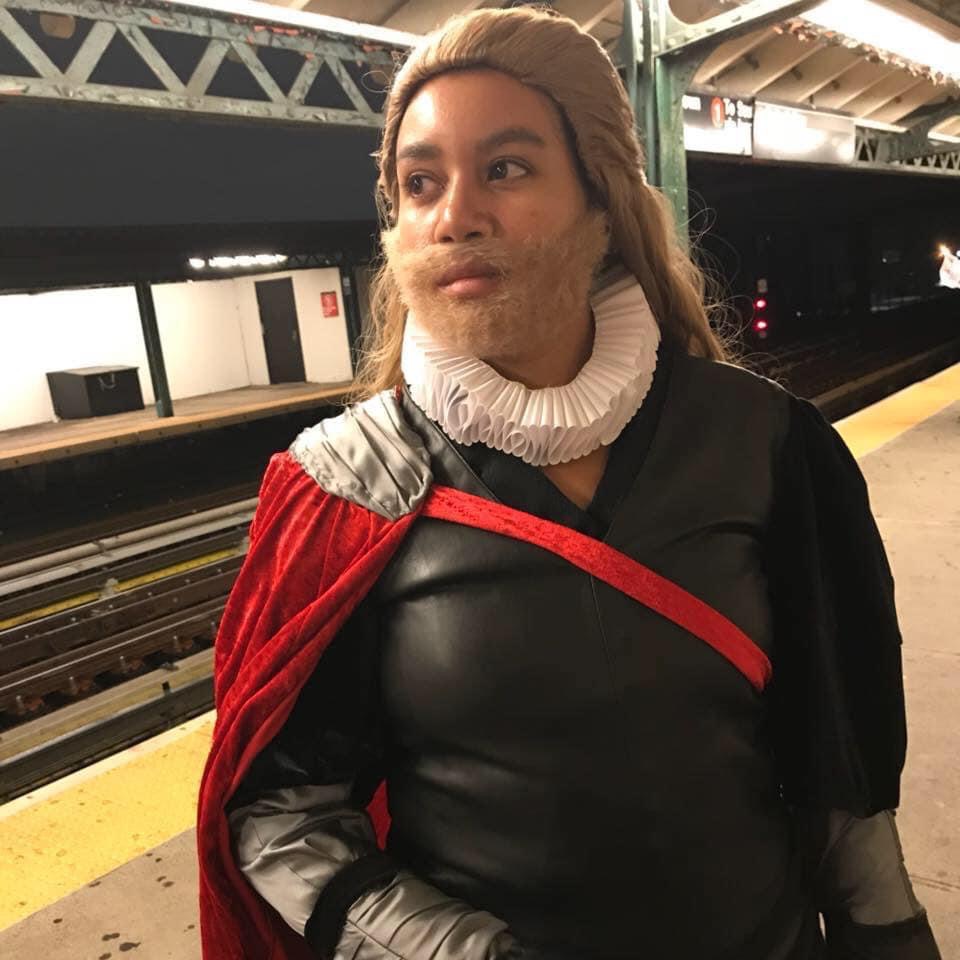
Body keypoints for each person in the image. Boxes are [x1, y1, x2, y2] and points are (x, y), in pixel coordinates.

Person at [197, 8, 941, 960]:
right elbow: (279, 811)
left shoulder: (766, 443)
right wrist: (453, 951)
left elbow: (840, 753)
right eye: (420, 183)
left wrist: (889, 935)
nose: (455, 215)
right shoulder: (345, 487)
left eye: (506, 168)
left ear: (602, 196)